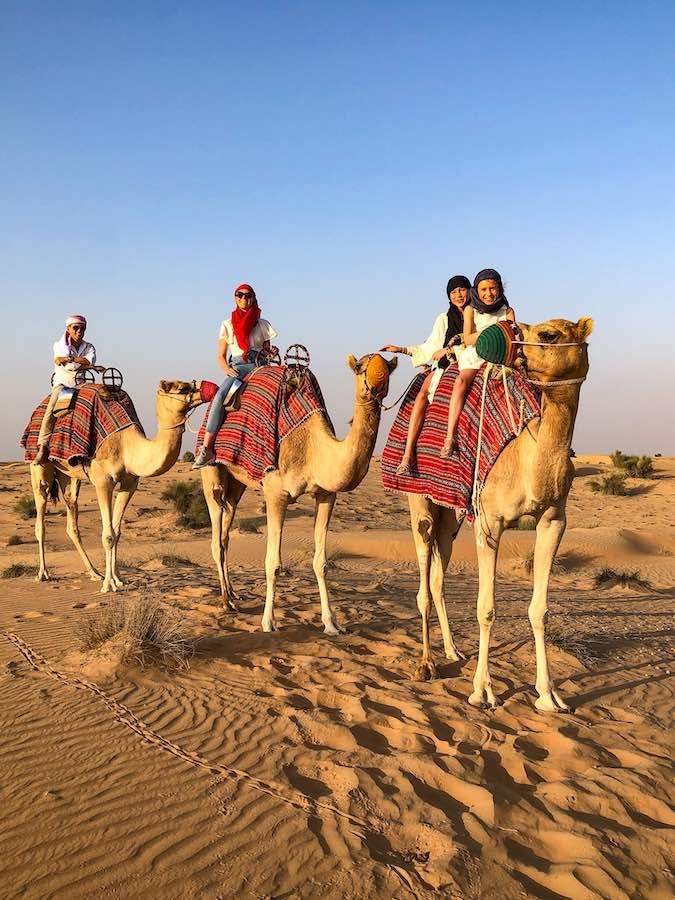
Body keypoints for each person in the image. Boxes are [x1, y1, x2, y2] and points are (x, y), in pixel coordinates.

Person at [381, 275, 471, 474]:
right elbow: (431, 347)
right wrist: (401, 350)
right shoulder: (444, 319)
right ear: (449, 296)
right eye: (453, 292)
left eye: (462, 289)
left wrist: (451, 350)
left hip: (470, 361)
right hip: (447, 363)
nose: (458, 295)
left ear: (470, 291)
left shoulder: (477, 315)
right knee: (421, 395)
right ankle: (408, 454)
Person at [193, 283, 277, 468]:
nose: (244, 298)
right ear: (235, 298)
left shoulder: (262, 324)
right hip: (239, 367)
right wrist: (226, 369)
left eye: (248, 295)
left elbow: (267, 352)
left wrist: (269, 354)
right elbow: (221, 356)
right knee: (220, 396)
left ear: (253, 298)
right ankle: (207, 449)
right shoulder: (227, 325)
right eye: (240, 295)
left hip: (260, 365)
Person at [441, 268, 515, 458]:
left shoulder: (508, 311)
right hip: (476, 353)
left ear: (499, 288)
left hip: (501, 355)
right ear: (477, 291)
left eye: (492, 288)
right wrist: (492, 334)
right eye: (483, 289)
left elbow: (512, 335)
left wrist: (501, 338)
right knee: (460, 382)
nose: (488, 293)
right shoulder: (470, 310)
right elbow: (467, 339)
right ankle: (450, 436)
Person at [34, 314, 97, 465]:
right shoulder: (59, 345)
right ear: (68, 329)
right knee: (51, 410)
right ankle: (43, 446)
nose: (79, 331)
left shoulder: (89, 347)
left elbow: (90, 361)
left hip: (82, 384)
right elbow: (70, 366)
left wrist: (70, 359)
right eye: (76, 328)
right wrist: (80, 362)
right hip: (64, 384)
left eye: (82, 328)